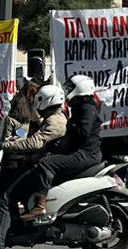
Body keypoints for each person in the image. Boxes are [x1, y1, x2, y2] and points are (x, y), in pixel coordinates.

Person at [0, 83, 69, 249]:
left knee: (6, 198)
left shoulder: (48, 121)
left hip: (21, 163)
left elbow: (31, 142)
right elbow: (26, 138)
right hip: (25, 161)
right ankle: (13, 229)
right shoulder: (41, 120)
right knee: (7, 193)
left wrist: (4, 143)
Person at [17, 75, 104, 222]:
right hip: (81, 152)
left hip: (86, 154)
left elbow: (83, 133)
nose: (67, 90)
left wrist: (68, 126)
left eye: (71, 88)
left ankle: (40, 206)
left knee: (46, 163)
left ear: (80, 88)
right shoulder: (79, 107)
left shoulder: (86, 107)